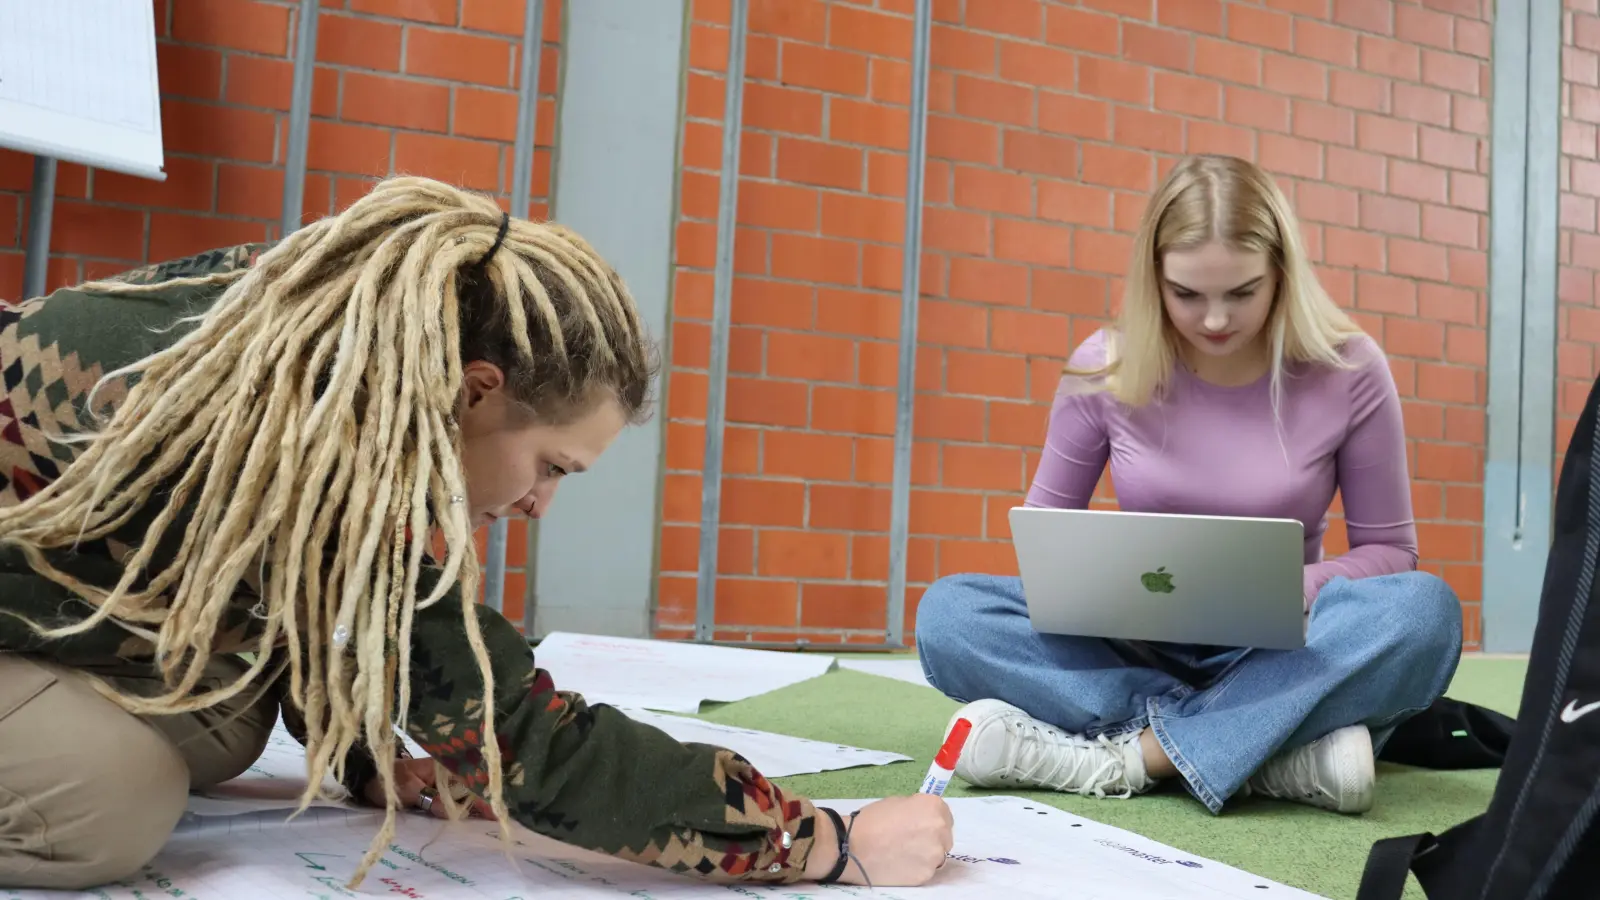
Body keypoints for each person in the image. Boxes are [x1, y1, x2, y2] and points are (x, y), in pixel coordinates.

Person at [0, 176, 951, 891]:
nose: (539, 504)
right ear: (476, 390)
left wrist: (370, 752)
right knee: (104, 801)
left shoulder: (330, 366)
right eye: (551, 468)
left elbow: (286, 593)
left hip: (44, 610)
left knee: (229, 715)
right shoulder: (303, 418)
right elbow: (518, 736)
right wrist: (823, 841)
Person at [915, 154, 1463, 817]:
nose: (1212, 321)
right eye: (1186, 294)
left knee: (1425, 613)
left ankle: (1131, 757)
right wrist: (1097, 589)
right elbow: (1046, 537)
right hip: (1134, 648)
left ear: (1282, 275)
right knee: (949, 616)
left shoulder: (1349, 370)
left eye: (1241, 293)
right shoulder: (1103, 368)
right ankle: (1267, 752)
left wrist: (1304, 585)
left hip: (1284, 648)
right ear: (1154, 279)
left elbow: (1390, 552)